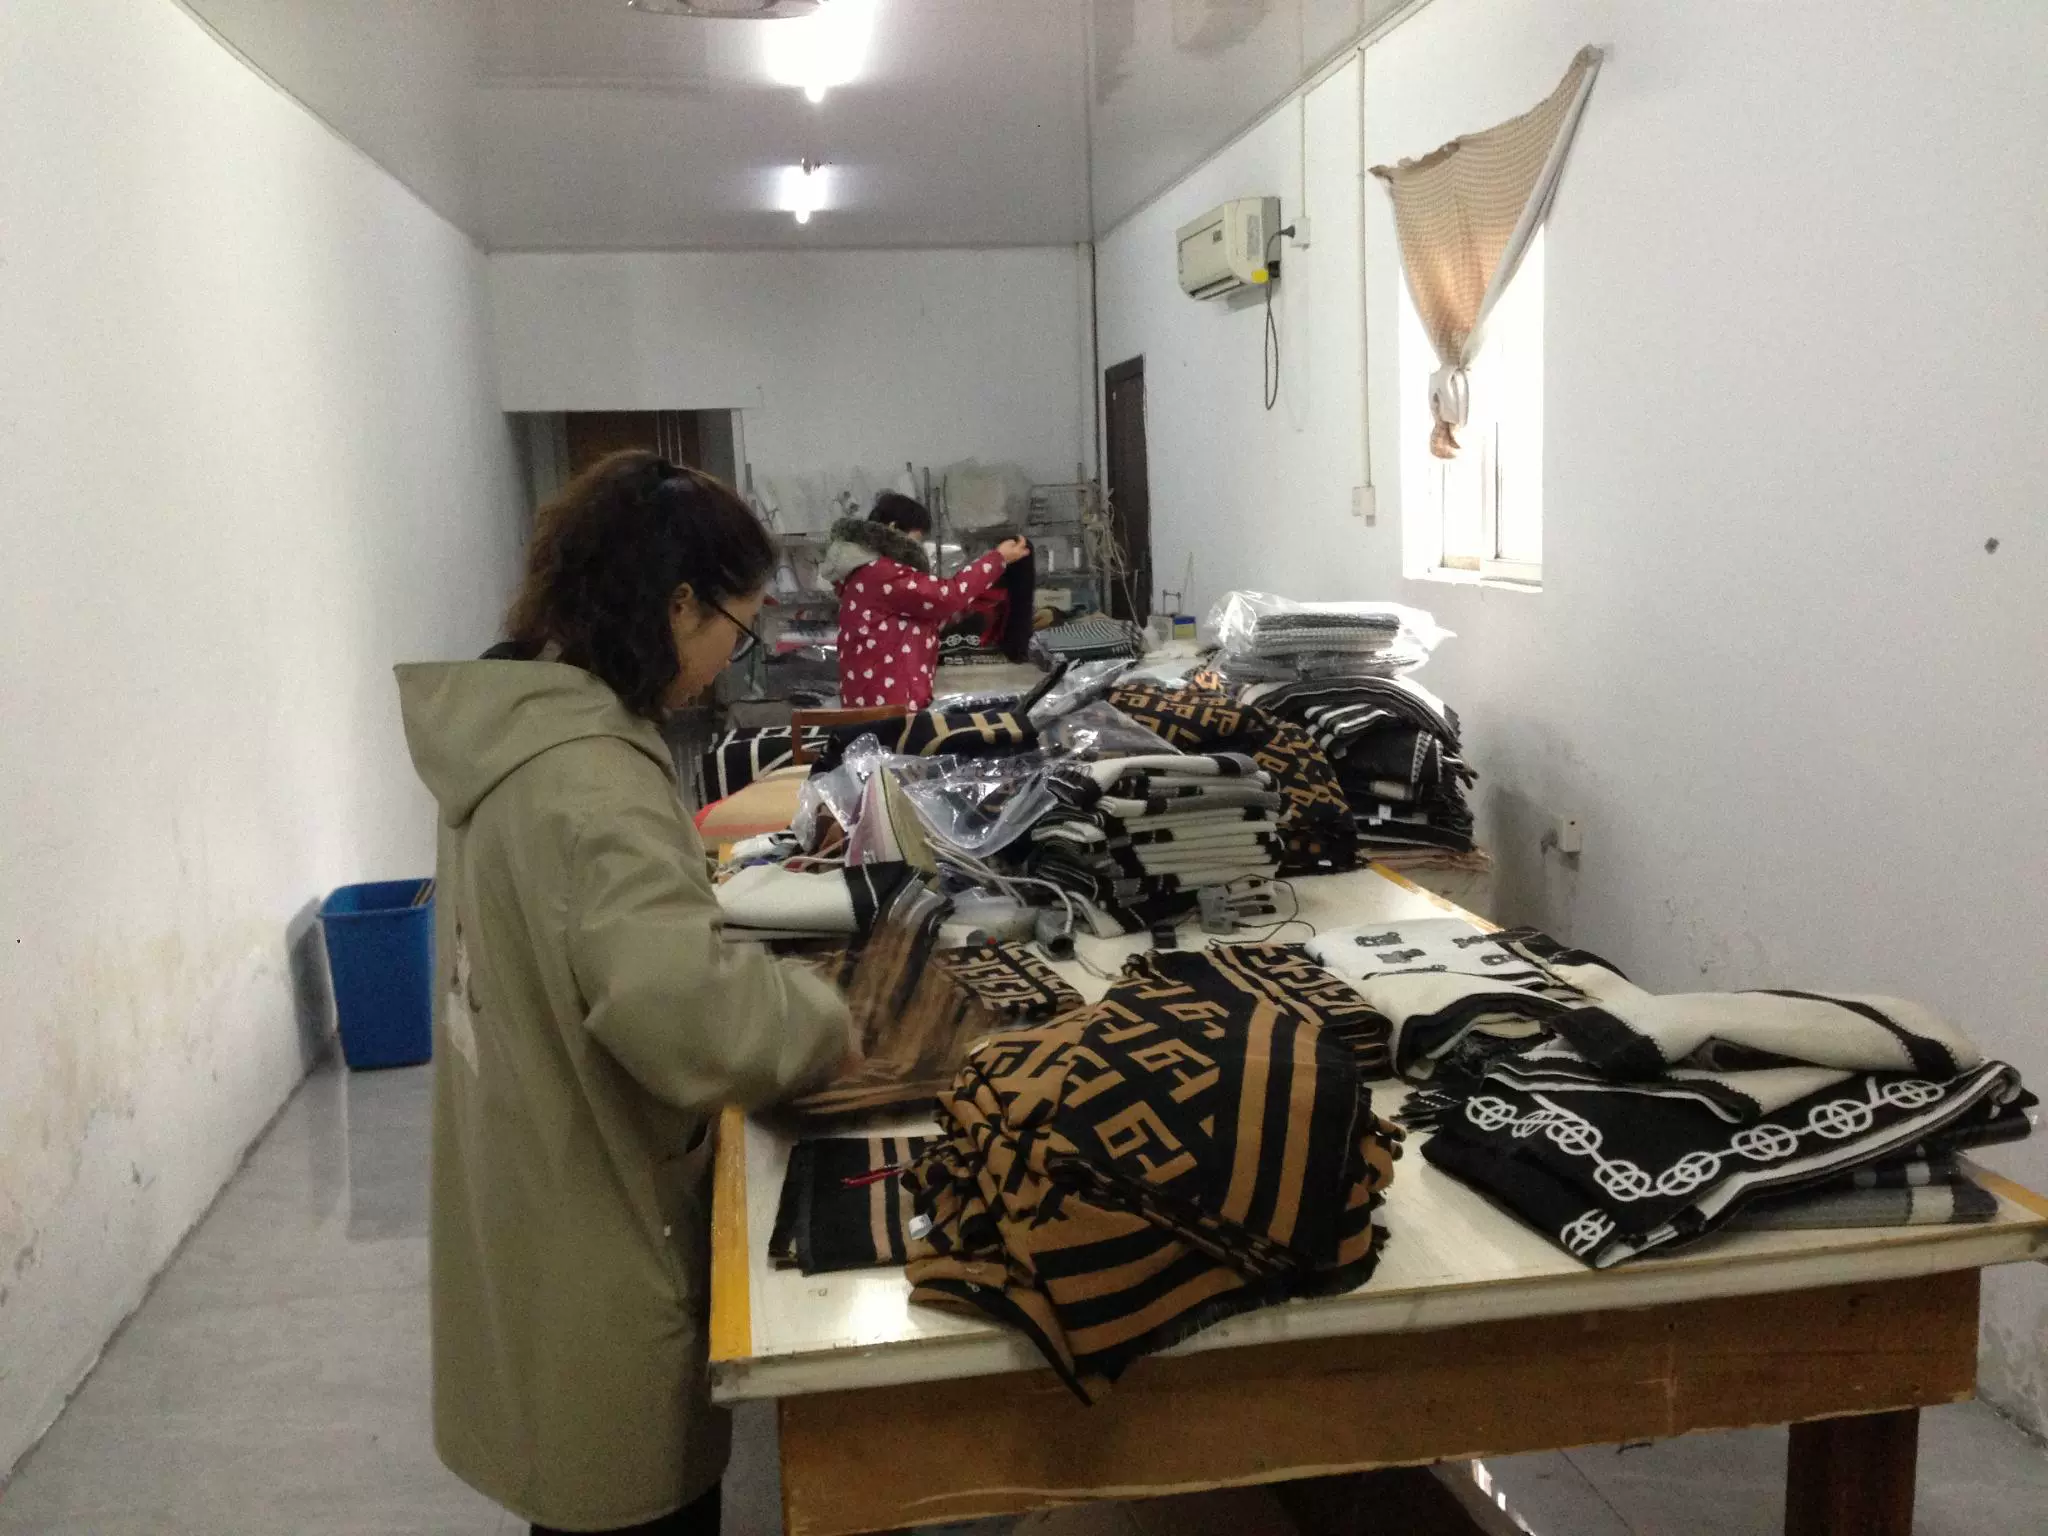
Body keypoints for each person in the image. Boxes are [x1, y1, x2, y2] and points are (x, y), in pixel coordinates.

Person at [396, 450, 852, 1535]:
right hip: (598, 1223)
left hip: (536, 1188)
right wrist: (828, 1018)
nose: (730, 660)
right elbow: (685, 1016)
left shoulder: (514, 727)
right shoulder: (591, 779)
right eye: (735, 629)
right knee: (626, 1502)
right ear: (678, 605)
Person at [819, 491, 1030, 708]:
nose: (919, 548)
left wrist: (966, 609)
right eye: (917, 539)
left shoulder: (865, 571)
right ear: (893, 528)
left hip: (876, 696)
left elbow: (916, 617)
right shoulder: (881, 573)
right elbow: (947, 596)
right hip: (888, 702)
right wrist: (997, 559)